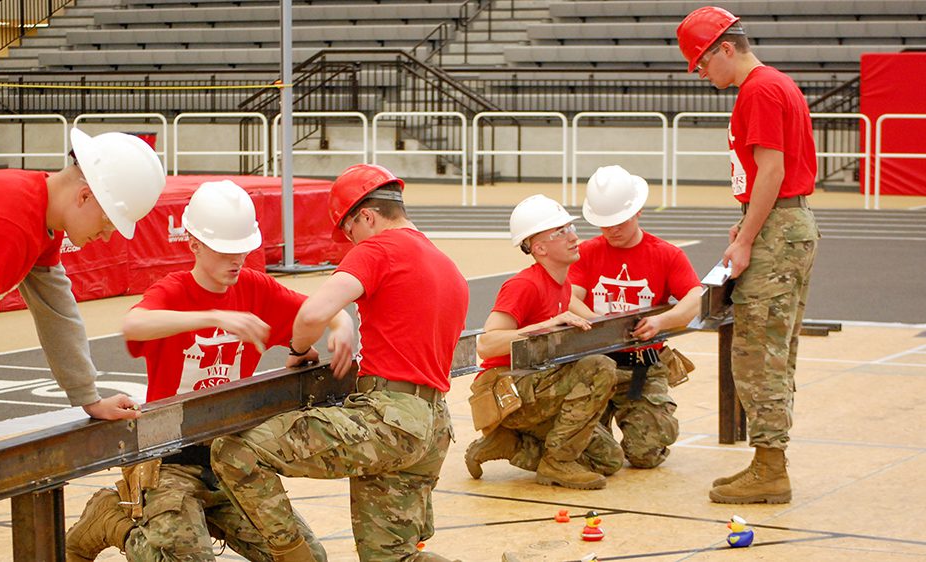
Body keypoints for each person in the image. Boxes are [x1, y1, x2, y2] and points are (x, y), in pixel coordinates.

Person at [64, 180, 351, 562]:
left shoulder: (255, 287)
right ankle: (112, 520)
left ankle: (207, 519)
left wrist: (341, 324)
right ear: (195, 244)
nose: (236, 260)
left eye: (242, 250)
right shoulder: (174, 290)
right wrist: (213, 315)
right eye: (225, 251)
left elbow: (320, 309)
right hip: (171, 461)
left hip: (230, 457)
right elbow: (133, 326)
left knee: (306, 557)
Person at [209, 164, 469, 562]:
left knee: (235, 452)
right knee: (391, 557)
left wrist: (298, 348)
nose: (351, 243)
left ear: (367, 216)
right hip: (432, 425)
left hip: (389, 419)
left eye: (350, 233)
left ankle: (296, 557)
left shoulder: (379, 249)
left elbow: (313, 313)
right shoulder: (445, 263)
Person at [0, 128, 166, 559]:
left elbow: (57, 309)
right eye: (109, 221)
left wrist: (87, 396)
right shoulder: (10, 223)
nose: (107, 236)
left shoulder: (38, 213)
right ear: (85, 195)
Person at [677, 6, 819, 504]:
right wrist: (748, 220)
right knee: (775, 348)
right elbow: (769, 177)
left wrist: (745, 238)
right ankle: (767, 460)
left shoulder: (758, 90)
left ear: (726, 50)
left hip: (778, 226)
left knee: (757, 351)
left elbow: (773, 171)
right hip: (786, 222)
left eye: (701, 62)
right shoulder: (777, 84)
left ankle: (770, 467)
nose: (700, 73)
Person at [464, 194, 622, 490]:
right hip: (505, 389)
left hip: (535, 384)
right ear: (539, 248)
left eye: (571, 228)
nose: (574, 237)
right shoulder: (524, 285)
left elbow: (596, 325)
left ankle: (509, 444)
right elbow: (486, 344)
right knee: (599, 367)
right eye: (560, 232)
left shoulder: (563, 285)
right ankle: (557, 463)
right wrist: (545, 326)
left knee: (609, 459)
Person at [569, 165, 703, 470]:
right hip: (593, 365)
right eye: (604, 224)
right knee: (584, 455)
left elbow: (695, 299)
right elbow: (569, 296)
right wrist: (597, 323)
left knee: (645, 455)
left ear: (638, 211)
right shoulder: (587, 252)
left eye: (619, 222)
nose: (612, 231)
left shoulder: (667, 255)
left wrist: (661, 322)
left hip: (642, 367)